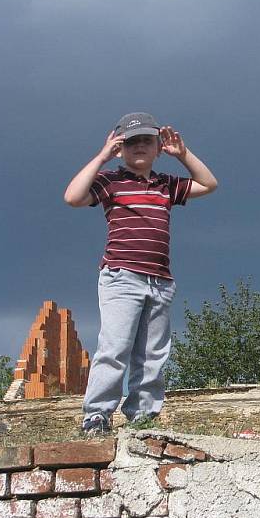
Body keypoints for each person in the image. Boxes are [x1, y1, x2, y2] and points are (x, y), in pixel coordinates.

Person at [64, 112, 218, 433]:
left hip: (160, 280)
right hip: (122, 276)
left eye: (146, 141)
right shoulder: (111, 181)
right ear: (120, 148)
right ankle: (97, 416)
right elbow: (73, 197)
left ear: (158, 148)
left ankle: (143, 416)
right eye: (131, 141)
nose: (139, 147)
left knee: (153, 353)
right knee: (116, 347)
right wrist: (102, 156)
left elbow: (208, 183)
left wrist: (184, 155)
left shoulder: (165, 184)